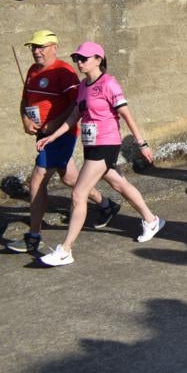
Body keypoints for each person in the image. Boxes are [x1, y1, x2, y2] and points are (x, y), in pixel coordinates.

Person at [35, 42, 164, 266]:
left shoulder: (109, 83)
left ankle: (65, 250)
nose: (79, 62)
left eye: (84, 58)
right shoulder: (83, 86)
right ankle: (151, 220)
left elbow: (127, 115)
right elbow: (74, 116)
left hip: (107, 143)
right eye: (77, 58)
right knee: (118, 184)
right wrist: (52, 136)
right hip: (91, 144)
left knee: (78, 194)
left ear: (98, 59)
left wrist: (142, 143)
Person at [9, 31, 111, 254]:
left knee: (38, 179)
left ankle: (33, 237)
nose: (36, 51)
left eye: (41, 46)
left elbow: (76, 105)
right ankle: (106, 204)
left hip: (61, 134)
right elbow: (25, 99)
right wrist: (25, 120)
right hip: (42, 133)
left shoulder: (64, 71)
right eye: (33, 47)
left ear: (54, 47)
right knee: (70, 178)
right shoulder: (32, 71)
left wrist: (54, 124)